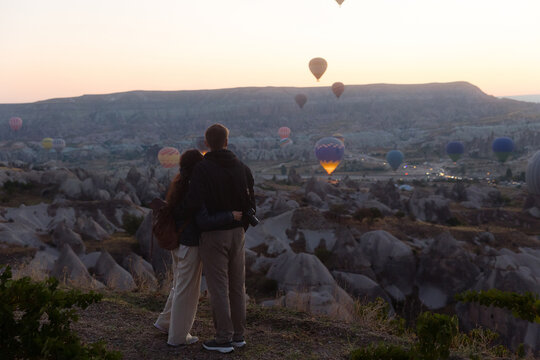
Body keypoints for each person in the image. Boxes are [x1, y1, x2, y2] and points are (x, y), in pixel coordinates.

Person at [154, 149, 242, 347]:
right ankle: (178, 337)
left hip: (177, 244)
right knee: (187, 292)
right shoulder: (196, 188)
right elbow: (203, 220)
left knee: (179, 286)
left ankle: (165, 322)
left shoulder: (180, 183)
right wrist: (230, 216)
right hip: (190, 246)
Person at [186, 124, 255, 354]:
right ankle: (238, 336)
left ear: (207, 143)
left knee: (218, 289)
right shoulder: (242, 168)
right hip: (238, 234)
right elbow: (251, 206)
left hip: (214, 235)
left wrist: (213, 224)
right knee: (237, 286)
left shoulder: (202, 170)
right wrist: (237, 224)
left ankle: (223, 339)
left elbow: (195, 207)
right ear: (227, 141)